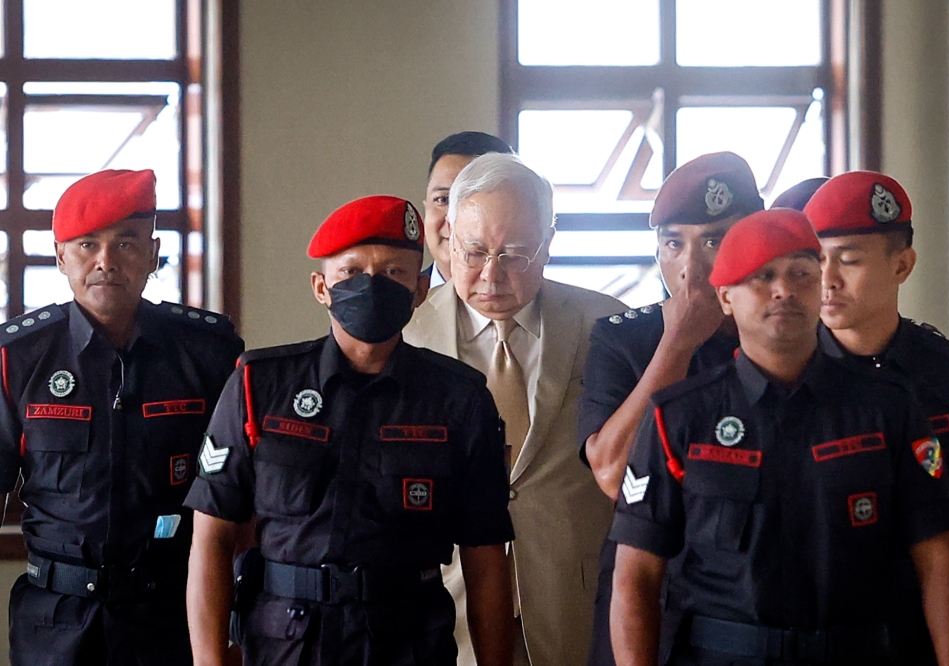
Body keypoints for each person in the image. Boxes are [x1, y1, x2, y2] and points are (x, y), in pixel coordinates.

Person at [610, 209, 949, 666]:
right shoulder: (679, 416)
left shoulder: (889, 407)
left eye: (802, 273)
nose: (784, 290)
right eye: (763, 277)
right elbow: (636, 575)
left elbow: (940, 559)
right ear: (726, 297)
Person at [185, 195, 515, 666]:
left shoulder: (459, 400)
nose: (371, 286)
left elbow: (485, 558)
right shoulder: (260, 385)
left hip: (407, 643)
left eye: (393, 273)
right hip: (286, 644)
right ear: (322, 287)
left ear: (420, 290)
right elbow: (211, 539)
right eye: (351, 272)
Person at [0, 169, 244, 666]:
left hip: (171, 616)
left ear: (152, 254)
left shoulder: (207, 352)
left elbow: (239, 500)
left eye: (126, 244)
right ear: (60, 257)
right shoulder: (20, 356)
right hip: (54, 622)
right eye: (87, 245)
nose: (105, 262)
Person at [405, 153, 623, 666]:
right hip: (445, 607)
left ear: (548, 244)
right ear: (449, 235)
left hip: (573, 600)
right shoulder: (406, 333)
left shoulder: (606, 327)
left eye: (516, 254)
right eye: (475, 251)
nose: (491, 275)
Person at [804, 171, 949, 665]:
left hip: (931, 636)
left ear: (902, 265)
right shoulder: (791, 372)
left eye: (848, 260)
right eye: (816, 259)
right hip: (821, 634)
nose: (827, 279)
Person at [579, 151, 763, 666]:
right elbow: (614, 474)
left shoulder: (780, 334)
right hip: (649, 603)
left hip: (749, 601)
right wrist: (676, 344)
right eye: (673, 243)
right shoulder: (625, 340)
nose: (691, 265)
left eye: (713, 241)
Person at [423, 131, 514, 287]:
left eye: (473, 203)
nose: (453, 219)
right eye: (443, 200)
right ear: (426, 208)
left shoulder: (557, 307)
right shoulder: (398, 305)